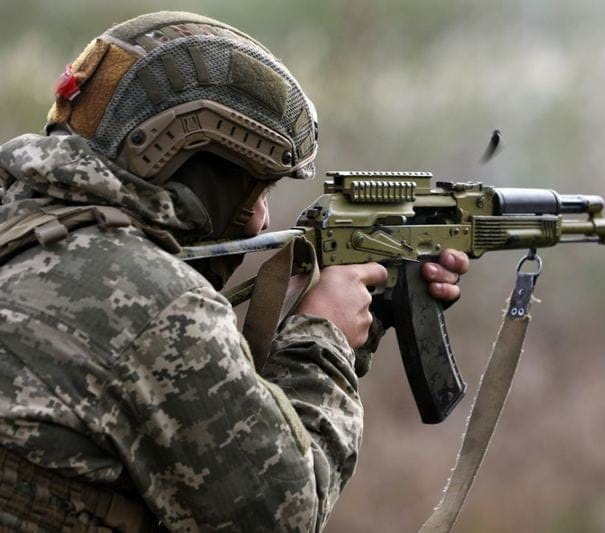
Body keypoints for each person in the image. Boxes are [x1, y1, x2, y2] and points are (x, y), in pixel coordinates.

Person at [0, 11, 468, 532]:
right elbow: (281, 513)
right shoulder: (154, 302)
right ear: (186, 161)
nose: (263, 219)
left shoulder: (20, 233)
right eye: (255, 190)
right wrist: (323, 338)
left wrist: (367, 312)